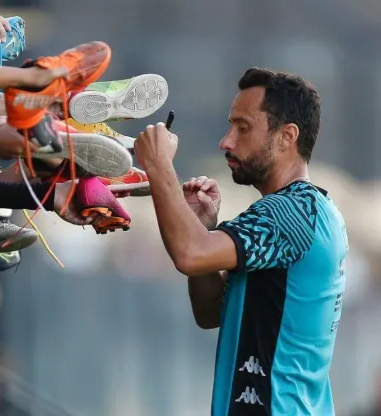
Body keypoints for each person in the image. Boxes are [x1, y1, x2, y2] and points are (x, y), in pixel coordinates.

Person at [135, 67, 349, 415]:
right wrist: (202, 227)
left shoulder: (290, 212)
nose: (226, 141)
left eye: (243, 127)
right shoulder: (314, 210)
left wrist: (159, 166)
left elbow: (189, 253)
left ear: (287, 136)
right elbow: (210, 313)